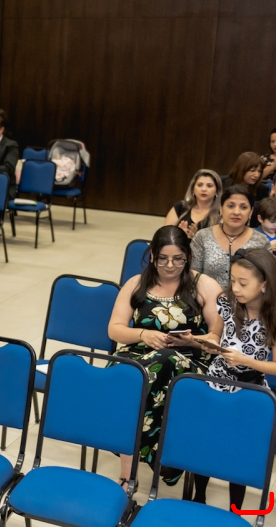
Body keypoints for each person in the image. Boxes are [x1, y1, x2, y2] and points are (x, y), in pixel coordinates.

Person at [107, 225, 223, 488]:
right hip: (139, 353)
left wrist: (192, 340)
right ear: (152, 256)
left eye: (178, 259)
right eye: (163, 259)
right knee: (128, 373)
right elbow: (114, 329)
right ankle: (158, 457)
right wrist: (143, 334)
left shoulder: (204, 285)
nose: (170, 265)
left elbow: (217, 338)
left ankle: (128, 473)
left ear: (188, 257)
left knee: (163, 362)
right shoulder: (136, 284)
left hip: (187, 360)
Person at [190, 248, 276, 508]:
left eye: (243, 283)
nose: (235, 288)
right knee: (205, 440)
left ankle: (235, 508)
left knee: (237, 448)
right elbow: (216, 334)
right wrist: (205, 342)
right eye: (233, 281)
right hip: (217, 377)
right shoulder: (227, 302)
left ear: (264, 284)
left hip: (250, 387)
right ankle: (199, 496)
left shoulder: (272, 316)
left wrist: (246, 361)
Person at [191, 185, 270, 288]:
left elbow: (268, 280)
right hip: (206, 297)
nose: (236, 212)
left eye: (243, 207)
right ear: (221, 208)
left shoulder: (261, 241)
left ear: (250, 212)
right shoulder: (202, 237)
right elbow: (192, 275)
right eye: (231, 206)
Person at [163, 169, 222, 240]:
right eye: (200, 185)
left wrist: (196, 239)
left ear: (217, 191)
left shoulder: (222, 212)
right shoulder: (181, 207)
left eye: (209, 186)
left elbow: (223, 243)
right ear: (193, 189)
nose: (204, 189)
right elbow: (164, 237)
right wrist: (179, 235)